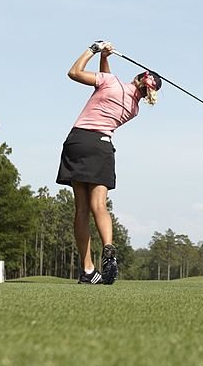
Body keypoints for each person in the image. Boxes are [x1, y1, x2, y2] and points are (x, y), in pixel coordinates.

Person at [57, 40, 161, 284]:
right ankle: (109, 248)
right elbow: (108, 80)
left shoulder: (110, 83)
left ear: (138, 75)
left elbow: (74, 73)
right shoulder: (133, 108)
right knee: (100, 206)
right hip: (102, 146)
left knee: (82, 209)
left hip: (78, 141)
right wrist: (106, 57)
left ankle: (87, 270)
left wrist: (93, 50)